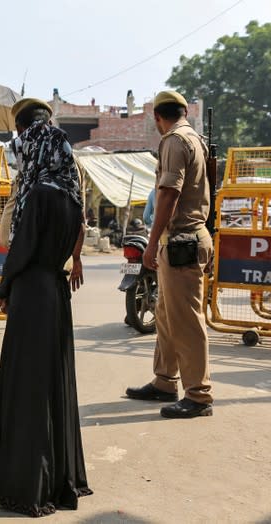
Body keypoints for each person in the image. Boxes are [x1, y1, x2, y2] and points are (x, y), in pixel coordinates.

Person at [0, 97, 92, 516]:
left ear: (30, 140)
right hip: (55, 293)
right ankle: (56, 482)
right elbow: (71, 239)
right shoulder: (69, 191)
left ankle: (20, 491)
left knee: (26, 391)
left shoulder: (37, 191)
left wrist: (4, 285)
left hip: (31, 293)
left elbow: (21, 249)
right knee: (50, 388)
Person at [125, 90, 214, 418]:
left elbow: (168, 194)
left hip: (181, 241)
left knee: (187, 321)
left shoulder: (174, 141)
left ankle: (199, 395)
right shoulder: (195, 139)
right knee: (166, 315)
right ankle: (165, 381)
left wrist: (151, 243)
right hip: (184, 240)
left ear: (158, 118)